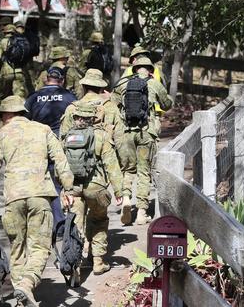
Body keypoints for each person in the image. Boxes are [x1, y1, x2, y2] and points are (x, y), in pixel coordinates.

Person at [0, 96, 75, 307]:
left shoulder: (1, 135)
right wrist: (68, 189)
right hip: (40, 196)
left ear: (6, 114)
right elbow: (61, 160)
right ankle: (28, 282)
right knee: (40, 247)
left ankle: (22, 295)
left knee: (17, 247)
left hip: (13, 199)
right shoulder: (43, 130)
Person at [63, 103, 123, 275]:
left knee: (75, 225)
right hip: (95, 187)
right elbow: (111, 164)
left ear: (76, 117)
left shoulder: (68, 136)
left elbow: (61, 164)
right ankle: (98, 262)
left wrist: (64, 190)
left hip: (73, 187)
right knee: (99, 221)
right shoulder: (102, 136)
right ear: (94, 118)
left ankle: (75, 265)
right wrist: (120, 191)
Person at [113, 57, 173, 225]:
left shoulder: (123, 84)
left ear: (134, 69)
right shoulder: (154, 84)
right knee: (144, 171)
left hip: (127, 133)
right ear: (150, 70)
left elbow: (113, 104)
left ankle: (126, 198)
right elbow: (167, 104)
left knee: (128, 170)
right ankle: (141, 212)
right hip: (146, 133)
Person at [24, 66, 77, 231]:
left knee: (40, 182)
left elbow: (24, 120)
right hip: (61, 144)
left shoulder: (34, 97)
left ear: (46, 79)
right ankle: (61, 224)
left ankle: (41, 222)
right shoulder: (69, 96)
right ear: (61, 80)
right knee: (59, 183)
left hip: (38, 144)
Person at [0, 24, 31, 103]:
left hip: (6, 73)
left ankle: (1, 112)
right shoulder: (21, 42)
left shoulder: (2, 42)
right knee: (19, 96)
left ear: (5, 32)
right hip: (19, 72)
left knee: (3, 96)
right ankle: (21, 112)